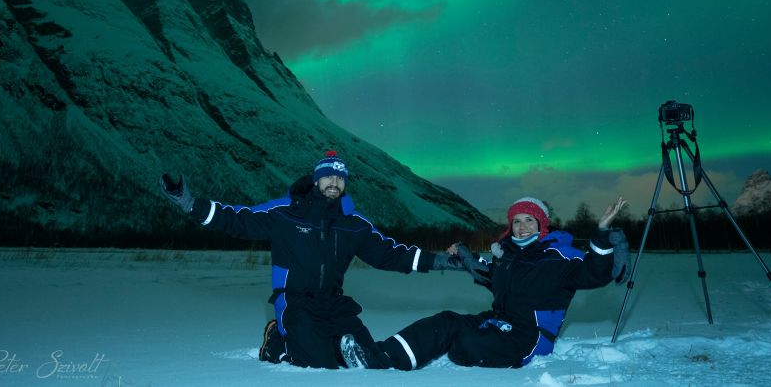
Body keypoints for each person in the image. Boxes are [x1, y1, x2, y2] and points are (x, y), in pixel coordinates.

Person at [159, 150, 461, 369]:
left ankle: (329, 345)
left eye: (340, 177)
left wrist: (438, 262)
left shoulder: (352, 223)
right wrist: (191, 205)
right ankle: (277, 339)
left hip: (333, 303)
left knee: (367, 357)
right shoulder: (286, 213)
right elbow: (239, 220)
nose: (334, 181)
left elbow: (390, 253)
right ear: (317, 180)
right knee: (318, 364)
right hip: (295, 302)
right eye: (328, 175)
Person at [340, 195, 630, 370]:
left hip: (527, 340)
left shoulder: (558, 256)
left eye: (529, 220)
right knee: (445, 321)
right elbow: (488, 274)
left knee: (462, 342)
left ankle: (419, 354)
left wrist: (602, 233)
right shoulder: (509, 256)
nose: (522, 226)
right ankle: (378, 357)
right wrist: (465, 256)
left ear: (541, 225)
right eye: (517, 221)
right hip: (498, 323)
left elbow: (596, 273)